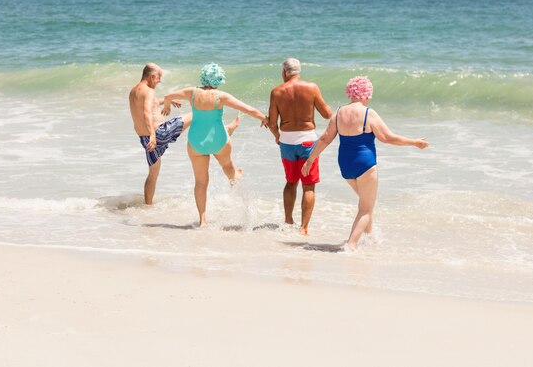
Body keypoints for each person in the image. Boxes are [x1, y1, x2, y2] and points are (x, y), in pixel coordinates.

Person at [301, 76, 429, 250]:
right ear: (365, 94)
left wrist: (310, 160)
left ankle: (370, 239)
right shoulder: (369, 113)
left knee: (366, 204)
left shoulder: (339, 113)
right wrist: (414, 142)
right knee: (366, 208)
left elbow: (324, 139)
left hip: (346, 166)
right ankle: (351, 245)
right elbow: (388, 138)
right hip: (365, 164)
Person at [162, 63, 267, 227]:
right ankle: (233, 177)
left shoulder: (192, 93)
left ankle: (203, 221)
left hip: (196, 142)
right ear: (218, 80)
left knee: (201, 183)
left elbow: (168, 95)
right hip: (219, 141)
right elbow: (248, 110)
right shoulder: (221, 96)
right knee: (227, 167)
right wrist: (264, 119)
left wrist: (168, 105)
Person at [267, 58, 332, 235]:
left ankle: (288, 221)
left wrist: (277, 137)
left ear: (283, 72)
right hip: (308, 142)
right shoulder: (311, 88)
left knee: (291, 181)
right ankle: (304, 228)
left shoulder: (277, 92)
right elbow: (327, 114)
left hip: (287, 142)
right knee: (309, 185)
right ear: (299, 72)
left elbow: (272, 123)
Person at [129, 63, 189, 205]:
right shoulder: (149, 91)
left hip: (145, 140)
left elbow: (152, 104)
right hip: (157, 134)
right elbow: (146, 112)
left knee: (153, 174)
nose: (160, 81)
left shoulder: (134, 91)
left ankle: (147, 207)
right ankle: (222, 129)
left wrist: (168, 100)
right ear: (152, 77)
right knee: (195, 115)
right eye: (159, 78)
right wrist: (153, 135)